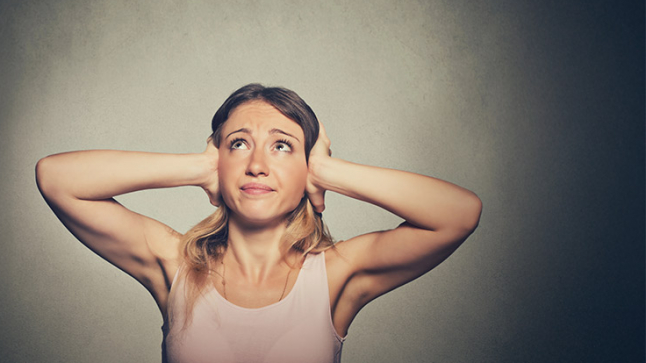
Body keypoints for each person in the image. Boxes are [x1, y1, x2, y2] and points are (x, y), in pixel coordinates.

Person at [35, 83, 481, 363]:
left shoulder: (338, 273)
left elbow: (459, 213)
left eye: (283, 146)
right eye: (239, 144)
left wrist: (325, 172)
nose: (258, 165)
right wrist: (197, 168)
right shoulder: (174, 265)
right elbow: (56, 178)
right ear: (218, 160)